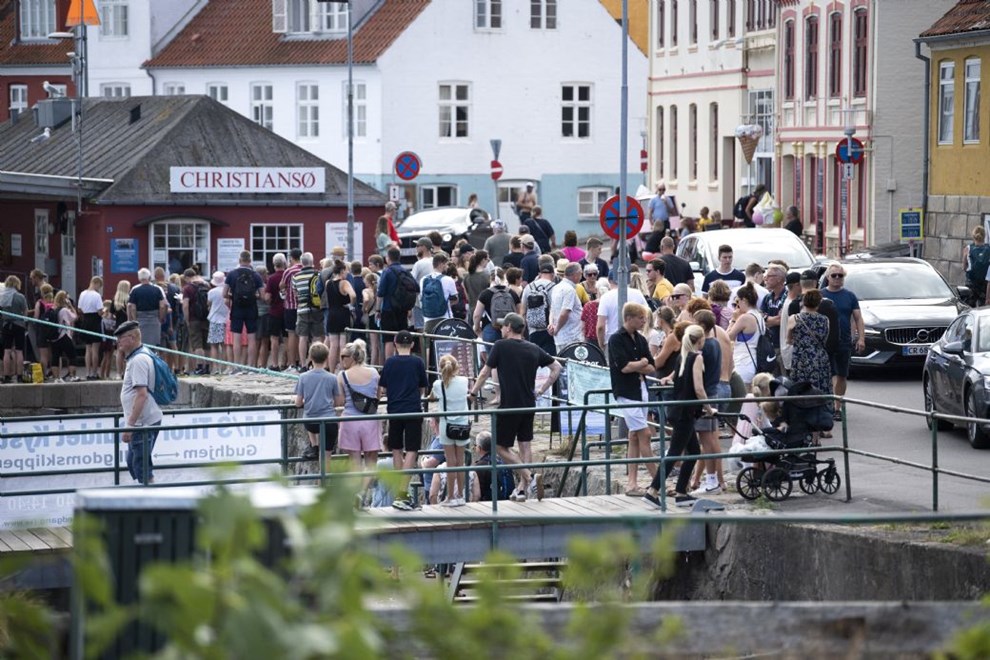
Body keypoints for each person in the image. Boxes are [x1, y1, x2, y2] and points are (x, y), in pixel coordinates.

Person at [469, 312, 561, 501]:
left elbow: (486, 371)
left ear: (509, 327)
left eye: (503, 326)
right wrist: (542, 390)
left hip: (509, 405)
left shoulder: (500, 346)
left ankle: (529, 477)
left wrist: (472, 392)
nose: (501, 329)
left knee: (498, 446)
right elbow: (556, 367)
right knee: (525, 444)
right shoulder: (534, 348)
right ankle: (522, 490)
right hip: (529, 403)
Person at [642, 324, 710, 508]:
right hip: (686, 412)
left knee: (693, 451)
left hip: (678, 409)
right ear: (700, 339)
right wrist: (709, 408)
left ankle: (681, 492)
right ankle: (652, 491)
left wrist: (668, 379)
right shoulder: (696, 358)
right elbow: (698, 387)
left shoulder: (683, 356)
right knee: (674, 452)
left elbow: (673, 375)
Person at [607, 302, 657, 496]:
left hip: (640, 389)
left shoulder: (641, 339)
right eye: (640, 317)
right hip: (626, 391)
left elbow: (651, 366)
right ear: (629, 318)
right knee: (645, 434)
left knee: (635, 436)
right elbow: (624, 367)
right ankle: (657, 482)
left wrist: (640, 364)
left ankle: (632, 483)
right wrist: (641, 363)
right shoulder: (616, 339)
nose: (644, 321)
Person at [379, 330, 429, 511]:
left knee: (396, 449)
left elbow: (383, 387)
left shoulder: (390, 362)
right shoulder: (417, 362)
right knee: (412, 450)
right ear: (413, 345)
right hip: (413, 409)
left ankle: (400, 490)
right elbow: (423, 388)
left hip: (394, 410)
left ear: (394, 343)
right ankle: (402, 491)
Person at [114, 320, 164, 484]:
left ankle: (149, 501)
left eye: (121, 338)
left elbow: (141, 395)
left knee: (141, 468)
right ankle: (147, 492)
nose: (118, 341)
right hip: (144, 421)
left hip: (142, 423)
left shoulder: (138, 360)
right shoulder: (140, 354)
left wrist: (130, 425)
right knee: (135, 462)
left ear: (133, 338)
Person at [820, 263, 864, 419]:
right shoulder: (820, 295)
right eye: (834, 275)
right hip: (824, 342)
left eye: (841, 275)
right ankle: (830, 405)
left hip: (844, 341)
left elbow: (858, 318)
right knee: (829, 374)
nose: (837, 278)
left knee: (842, 375)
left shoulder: (850, 296)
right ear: (827, 277)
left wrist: (861, 338)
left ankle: (837, 407)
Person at [336, 339, 381, 491]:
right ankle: (363, 494)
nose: (341, 359)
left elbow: (340, 401)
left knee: (354, 462)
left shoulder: (342, 376)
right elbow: (378, 396)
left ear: (352, 357)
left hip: (350, 419)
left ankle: (356, 494)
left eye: (344, 357)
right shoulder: (374, 372)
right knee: (371, 462)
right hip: (370, 420)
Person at [428, 354, 471, 506]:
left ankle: (450, 497)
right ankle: (460, 495)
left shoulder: (437, 385)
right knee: (461, 461)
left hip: (446, 426)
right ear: (456, 367)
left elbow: (432, 397)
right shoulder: (464, 381)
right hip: (462, 425)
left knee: (450, 461)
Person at [295, 341, 343, 461]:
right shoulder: (332, 378)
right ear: (327, 357)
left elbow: (298, 403)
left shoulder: (303, 377)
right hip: (329, 421)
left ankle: (314, 445)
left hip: (311, 422)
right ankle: (323, 478)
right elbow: (338, 402)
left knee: (309, 414)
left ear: (310, 357)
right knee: (326, 458)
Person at [224, 251, 265, 369]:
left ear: (239, 260)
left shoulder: (232, 274)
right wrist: (252, 296)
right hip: (251, 308)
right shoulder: (256, 275)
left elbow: (224, 293)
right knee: (251, 337)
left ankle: (237, 365)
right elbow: (262, 296)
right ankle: (251, 366)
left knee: (236, 337)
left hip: (237, 308)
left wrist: (234, 296)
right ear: (250, 261)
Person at [787, 289, 831, 395]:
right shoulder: (825, 319)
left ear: (803, 302)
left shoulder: (795, 318)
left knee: (800, 387)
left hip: (801, 357)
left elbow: (788, 340)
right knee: (821, 386)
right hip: (820, 357)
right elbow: (825, 339)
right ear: (818, 303)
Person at [596, 271, 648, 350]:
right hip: (635, 338)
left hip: (611, 340)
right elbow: (647, 315)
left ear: (610, 281)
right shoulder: (637, 294)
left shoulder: (606, 297)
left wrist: (601, 344)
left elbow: (600, 326)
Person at [290, 252, 324, 370]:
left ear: (301, 263)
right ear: (312, 261)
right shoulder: (318, 275)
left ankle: (303, 364)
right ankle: (313, 362)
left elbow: (295, 294)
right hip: (317, 309)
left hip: (302, 309)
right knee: (317, 337)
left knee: (303, 337)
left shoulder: (296, 277)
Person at [726, 283, 764, 388]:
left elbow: (728, 337)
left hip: (743, 362)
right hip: (753, 360)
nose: (736, 306)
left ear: (744, 300)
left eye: (737, 301)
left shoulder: (745, 318)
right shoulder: (758, 315)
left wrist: (734, 319)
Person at [323, 260, 356, 372]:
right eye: (346, 270)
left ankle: (331, 371)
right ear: (342, 271)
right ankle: (343, 369)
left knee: (333, 345)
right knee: (343, 344)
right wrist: (350, 305)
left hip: (331, 313)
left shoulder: (328, 283)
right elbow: (353, 295)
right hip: (342, 312)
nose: (347, 273)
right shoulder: (344, 283)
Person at [522, 258, 558, 356]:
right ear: (553, 274)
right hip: (549, 330)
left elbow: (522, 311)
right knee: (550, 360)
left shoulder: (528, 287)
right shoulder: (554, 287)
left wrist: (522, 331)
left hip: (532, 329)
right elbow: (555, 309)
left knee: (534, 360)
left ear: (539, 274)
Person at [548, 262, 584, 352]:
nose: (581, 276)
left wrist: (551, 325)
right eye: (580, 273)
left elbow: (552, 309)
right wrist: (556, 329)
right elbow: (565, 313)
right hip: (571, 336)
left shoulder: (556, 287)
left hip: (561, 337)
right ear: (575, 275)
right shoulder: (569, 290)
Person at [127, 268, 167, 348]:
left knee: (140, 344)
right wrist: (161, 317)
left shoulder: (135, 290)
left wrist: (134, 320)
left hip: (140, 319)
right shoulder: (158, 289)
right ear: (149, 277)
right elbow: (163, 305)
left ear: (139, 278)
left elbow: (132, 307)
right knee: (154, 345)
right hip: (154, 319)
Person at [1, 276, 28, 383]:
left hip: (6, 325)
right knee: (19, 351)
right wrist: (24, 322)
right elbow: (25, 311)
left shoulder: (2, 296)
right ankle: (20, 376)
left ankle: (7, 375)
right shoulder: (20, 297)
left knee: (6, 351)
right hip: (19, 325)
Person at [77, 276, 103, 380]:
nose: (99, 288)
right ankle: (94, 372)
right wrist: (104, 311)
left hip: (86, 320)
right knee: (95, 349)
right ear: (96, 283)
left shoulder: (82, 294)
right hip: (95, 321)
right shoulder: (97, 295)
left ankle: (87, 372)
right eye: (99, 286)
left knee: (88, 349)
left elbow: (79, 309)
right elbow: (100, 312)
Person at [51, 291, 78, 381]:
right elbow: (75, 317)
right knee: (72, 355)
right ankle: (72, 376)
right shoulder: (64, 310)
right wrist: (71, 306)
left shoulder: (54, 309)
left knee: (55, 357)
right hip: (64, 335)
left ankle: (56, 378)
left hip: (55, 337)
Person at [964, 226, 990, 307]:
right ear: (984, 236)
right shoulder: (988, 248)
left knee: (969, 309)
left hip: (971, 283)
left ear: (973, 235)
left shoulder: (968, 248)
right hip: (984, 285)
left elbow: (964, 267)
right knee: (983, 310)